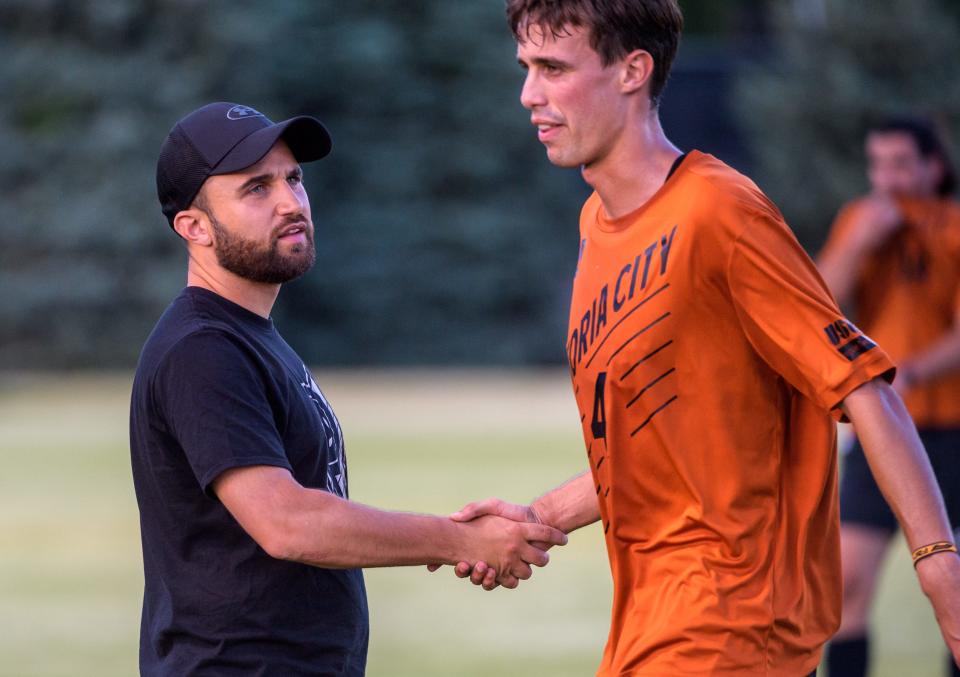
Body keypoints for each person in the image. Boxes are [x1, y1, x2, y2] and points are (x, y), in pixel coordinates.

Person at [435, 2, 960, 675]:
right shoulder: (597, 223)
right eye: (527, 68)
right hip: (649, 625)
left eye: (553, 68)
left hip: (730, 622)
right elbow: (656, 444)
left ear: (632, 70)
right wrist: (539, 516)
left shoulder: (719, 210)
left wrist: (938, 567)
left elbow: (865, 385)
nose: (528, 94)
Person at [130, 101, 567, 676]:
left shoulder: (247, 337)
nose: (290, 203)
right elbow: (287, 522)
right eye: (256, 189)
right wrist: (458, 541)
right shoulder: (203, 349)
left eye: (294, 179)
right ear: (194, 227)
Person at [818, 117, 960, 677]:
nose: (887, 178)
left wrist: (909, 373)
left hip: (951, 429)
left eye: (901, 164)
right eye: (877, 164)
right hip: (882, 433)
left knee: (952, 590)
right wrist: (856, 245)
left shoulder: (953, 229)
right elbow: (816, 303)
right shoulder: (859, 222)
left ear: (934, 167)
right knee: (846, 585)